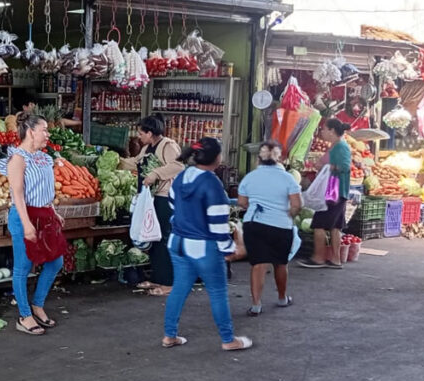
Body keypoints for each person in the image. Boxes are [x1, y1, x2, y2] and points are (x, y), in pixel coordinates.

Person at [162, 137, 252, 351]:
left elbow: (172, 202)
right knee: (218, 292)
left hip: (177, 242)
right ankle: (228, 339)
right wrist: (229, 249)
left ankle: (169, 335)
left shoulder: (183, 176)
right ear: (217, 158)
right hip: (203, 247)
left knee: (179, 289)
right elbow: (219, 226)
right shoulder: (213, 184)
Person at [0, 112, 66, 335]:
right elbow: (17, 194)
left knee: (55, 262)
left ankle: (38, 304)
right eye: (44, 130)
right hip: (24, 215)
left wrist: (54, 212)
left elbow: (47, 190)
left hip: (45, 216)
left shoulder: (45, 158)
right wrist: (27, 225)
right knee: (23, 267)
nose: (48, 134)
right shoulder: (17, 158)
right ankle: (24, 315)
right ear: (30, 131)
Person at [120, 115, 184, 296]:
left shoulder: (168, 146)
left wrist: (156, 173)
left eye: (141, 133)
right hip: (151, 198)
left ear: (150, 133)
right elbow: (136, 163)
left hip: (165, 197)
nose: (139, 137)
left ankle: (169, 283)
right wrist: (116, 160)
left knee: (164, 238)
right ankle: (157, 278)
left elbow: (179, 165)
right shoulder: (148, 147)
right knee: (153, 238)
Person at [237, 142, 303, 316]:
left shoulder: (250, 177)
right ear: (279, 158)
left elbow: (242, 203)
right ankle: (282, 298)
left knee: (258, 264)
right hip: (281, 226)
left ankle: (256, 305)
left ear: (259, 158)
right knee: (280, 263)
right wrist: (290, 213)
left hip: (255, 225)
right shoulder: (288, 178)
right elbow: (297, 204)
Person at [300, 119, 352, 269]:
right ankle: (335, 260)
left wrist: (326, 166)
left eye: (324, 129)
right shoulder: (336, 145)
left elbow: (345, 167)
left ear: (332, 131)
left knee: (319, 224)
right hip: (335, 190)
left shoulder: (341, 147)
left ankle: (319, 258)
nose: (322, 132)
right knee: (335, 227)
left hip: (333, 191)